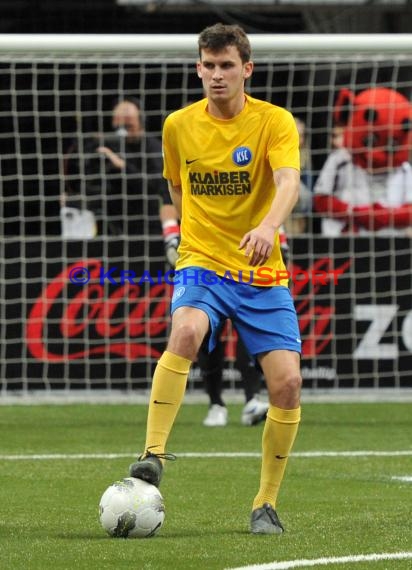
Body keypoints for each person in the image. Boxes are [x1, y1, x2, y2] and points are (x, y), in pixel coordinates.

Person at [129, 23, 302, 535]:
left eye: (227, 65)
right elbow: (177, 190)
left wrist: (268, 227)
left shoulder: (274, 122)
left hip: (260, 268)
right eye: (208, 65)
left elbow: (289, 180)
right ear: (198, 68)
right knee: (185, 332)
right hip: (203, 260)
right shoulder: (178, 125)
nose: (216, 75)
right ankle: (152, 455)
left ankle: (265, 503)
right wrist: (191, 240)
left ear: (246, 69)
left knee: (288, 385)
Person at [159, 198, 269, 427]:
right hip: (203, 255)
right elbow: (168, 193)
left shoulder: (248, 166)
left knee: (249, 328)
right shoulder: (187, 163)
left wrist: (280, 240)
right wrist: (172, 237)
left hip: (243, 252)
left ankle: (252, 399)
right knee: (206, 333)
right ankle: (216, 404)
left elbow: (271, 194)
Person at [314, 86, 412, 236]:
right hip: (344, 240)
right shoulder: (340, 159)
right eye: (370, 140)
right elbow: (320, 200)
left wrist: (383, 216)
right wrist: (355, 213)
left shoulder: (404, 169)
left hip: (390, 243)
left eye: (392, 144)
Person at [63, 97, 167, 236]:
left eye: (128, 126)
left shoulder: (153, 147)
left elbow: (155, 187)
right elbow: (101, 189)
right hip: (113, 225)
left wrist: (122, 167)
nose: (123, 132)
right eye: (119, 127)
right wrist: (74, 199)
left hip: (145, 226)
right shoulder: (111, 145)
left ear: (141, 123)